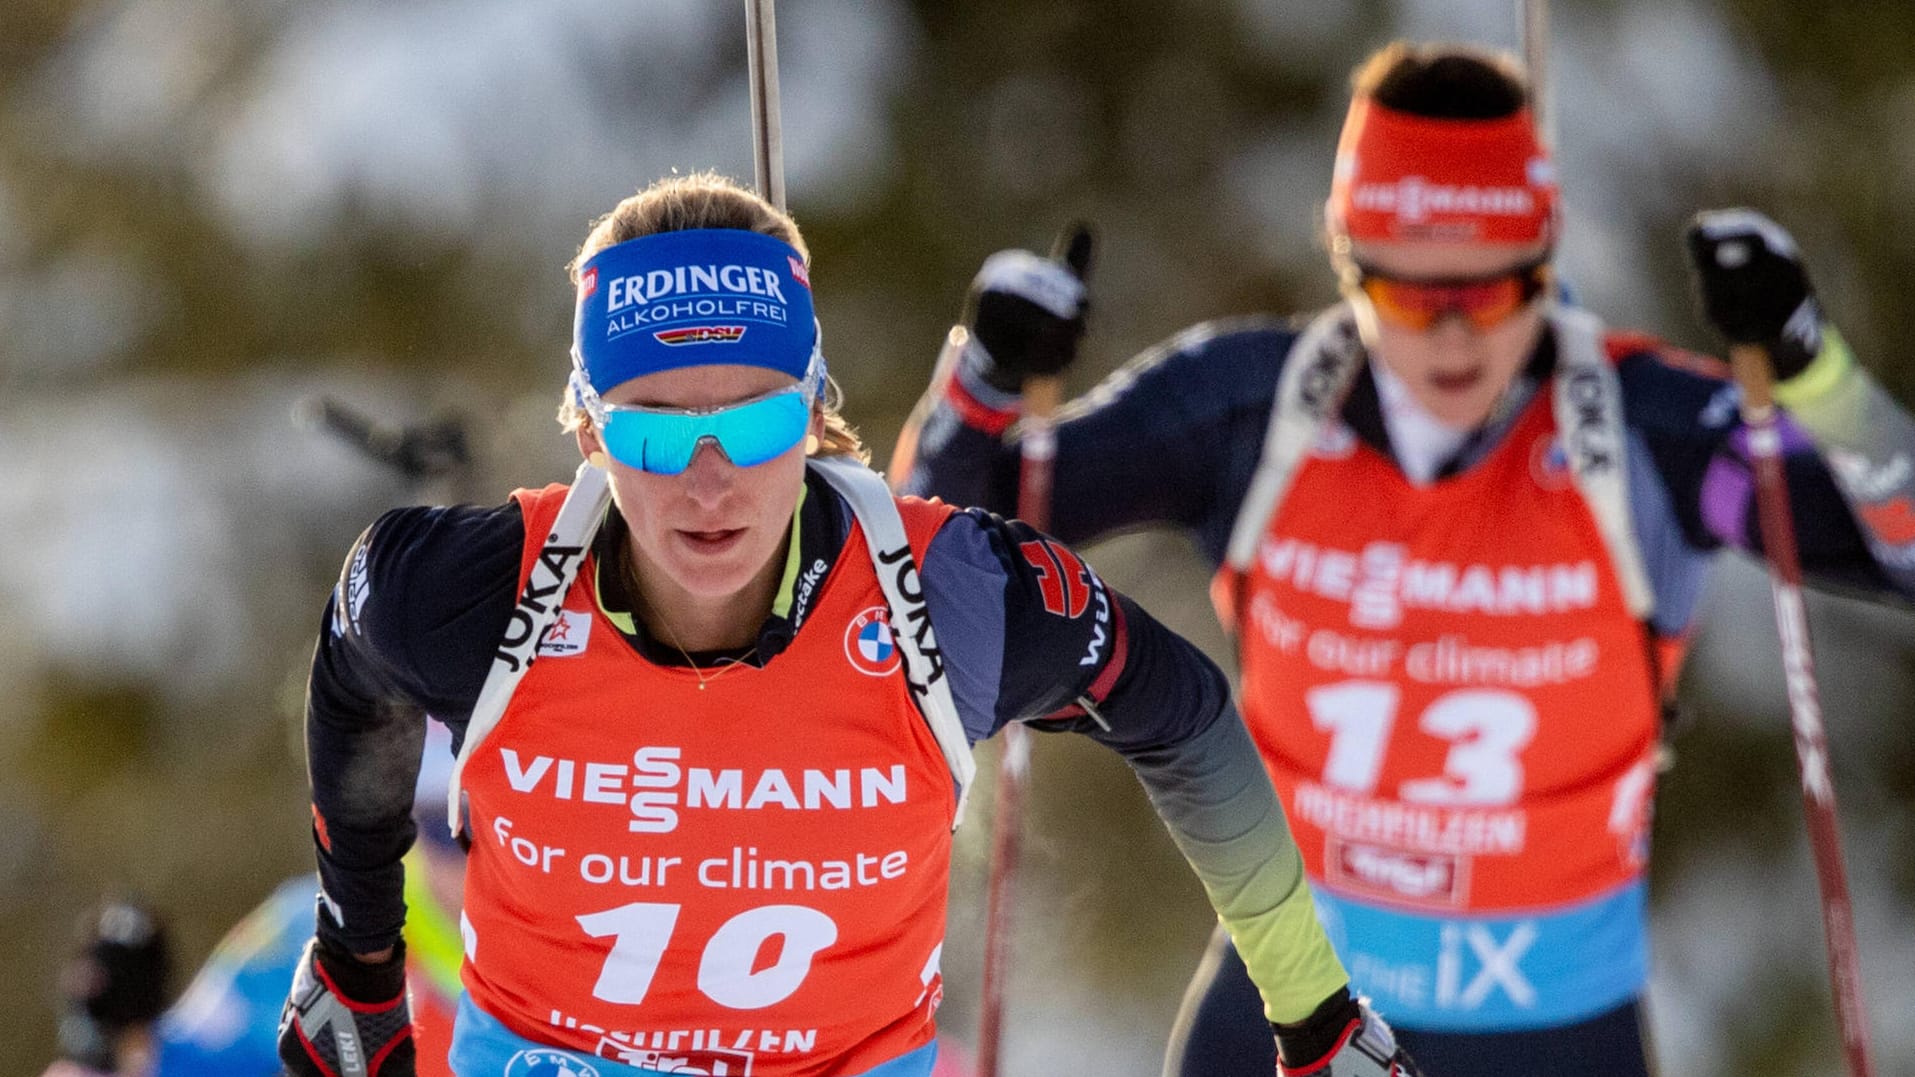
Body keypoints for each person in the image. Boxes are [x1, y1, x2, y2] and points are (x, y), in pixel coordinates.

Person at [897, 41, 1915, 1077]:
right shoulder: (1252, 411)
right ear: (1349, 265)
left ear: (1543, 266)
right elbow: (939, 556)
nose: (1453, 337)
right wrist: (985, 375)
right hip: (1290, 1004)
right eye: (1408, 295)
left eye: (1491, 290)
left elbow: (1899, 547)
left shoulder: (1648, 435)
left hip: (1553, 1030)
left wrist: (1811, 371)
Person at [273, 172, 1420, 1077]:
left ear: (816, 415)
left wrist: (1313, 1010)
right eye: (655, 436)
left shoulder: (950, 598)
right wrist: (355, 955)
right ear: (588, 435)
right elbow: (354, 662)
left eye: (757, 422)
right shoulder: (472, 593)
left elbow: (1182, 717)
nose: (709, 483)